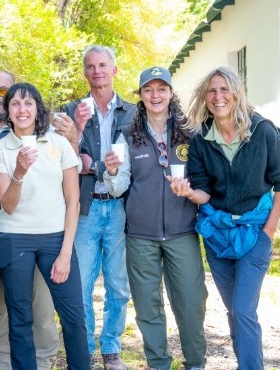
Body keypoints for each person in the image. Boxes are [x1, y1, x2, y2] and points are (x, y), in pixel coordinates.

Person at [171, 67, 280, 370]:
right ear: (205, 97)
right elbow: (205, 192)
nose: (218, 96)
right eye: (212, 91)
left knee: (243, 310)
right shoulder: (201, 140)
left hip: (255, 232)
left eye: (224, 89)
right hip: (218, 235)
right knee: (234, 310)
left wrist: (270, 230)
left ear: (236, 93)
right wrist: (188, 193)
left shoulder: (262, 131)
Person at [103, 67, 207, 370]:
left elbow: (204, 180)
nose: (155, 95)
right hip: (140, 236)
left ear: (171, 93)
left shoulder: (191, 132)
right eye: (148, 89)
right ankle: (159, 364)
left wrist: (191, 191)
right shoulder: (126, 135)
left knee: (190, 303)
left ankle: (196, 363)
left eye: (162, 89)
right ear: (141, 96)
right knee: (148, 309)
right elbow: (120, 185)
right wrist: (111, 172)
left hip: (183, 232)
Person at [0, 82, 88, 370]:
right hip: (14, 239)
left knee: (73, 316)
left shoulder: (58, 143)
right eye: (15, 103)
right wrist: (19, 171)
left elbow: (73, 201)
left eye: (28, 103)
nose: (22, 109)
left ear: (38, 109)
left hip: (56, 239)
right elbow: (8, 205)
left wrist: (65, 253)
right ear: (7, 111)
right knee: (20, 316)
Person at [0, 70, 59, 370]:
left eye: (2, 91)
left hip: (33, 231)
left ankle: (43, 362)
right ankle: (0, 365)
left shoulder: (44, 135)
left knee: (41, 306)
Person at [62, 45, 135, 369]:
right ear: (85, 73)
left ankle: (111, 348)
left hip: (120, 206)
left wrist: (91, 167)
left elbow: (133, 162)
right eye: (90, 66)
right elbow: (63, 160)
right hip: (86, 208)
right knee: (81, 285)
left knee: (119, 284)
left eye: (103, 65)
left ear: (114, 70)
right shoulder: (71, 110)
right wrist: (77, 133)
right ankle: (85, 349)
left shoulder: (133, 113)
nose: (97, 71)